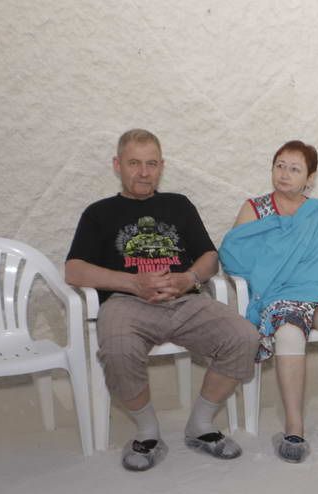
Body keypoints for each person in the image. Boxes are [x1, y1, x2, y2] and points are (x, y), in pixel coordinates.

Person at [65, 129, 260, 472]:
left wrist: (189, 278)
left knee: (244, 337)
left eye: (151, 164)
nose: (144, 172)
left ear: (161, 166)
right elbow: (74, 270)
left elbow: (210, 258)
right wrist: (132, 283)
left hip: (186, 300)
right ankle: (148, 432)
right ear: (117, 165)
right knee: (118, 349)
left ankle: (200, 425)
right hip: (126, 304)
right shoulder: (99, 213)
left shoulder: (178, 205)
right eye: (134, 163)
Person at [219, 140, 318, 464]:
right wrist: (278, 258)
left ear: (310, 177)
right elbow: (235, 255)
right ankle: (294, 430)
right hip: (281, 293)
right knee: (288, 331)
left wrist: (300, 267)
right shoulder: (255, 210)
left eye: (294, 169)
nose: (284, 174)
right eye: (279, 165)